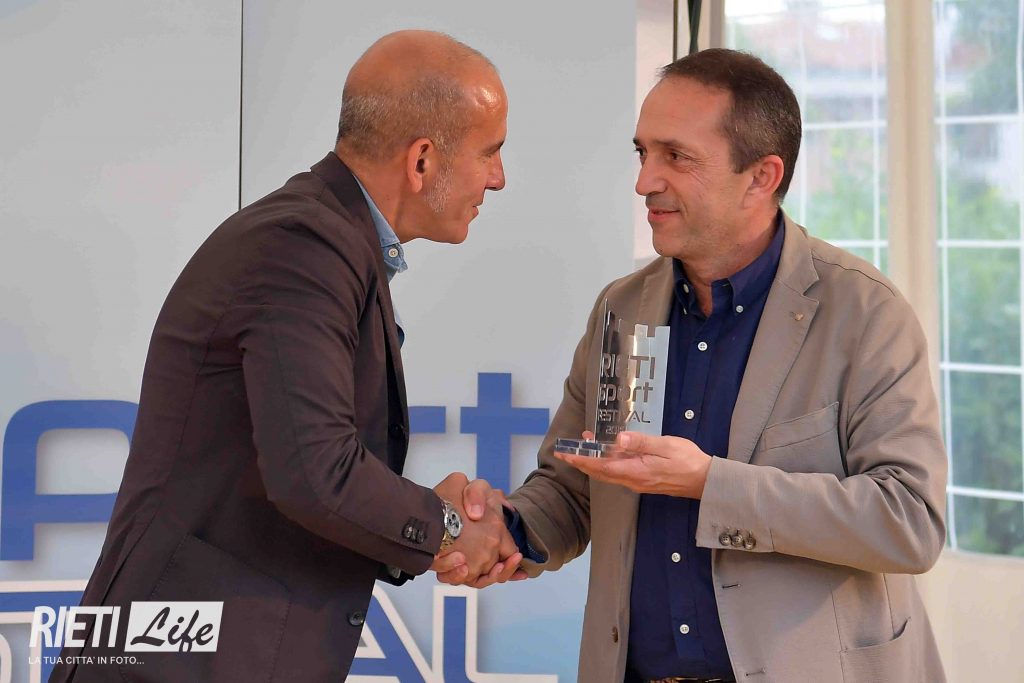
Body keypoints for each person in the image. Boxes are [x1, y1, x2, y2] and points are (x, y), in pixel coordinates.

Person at [453, 48, 948, 682]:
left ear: (761, 177)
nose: (644, 181)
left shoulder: (865, 313)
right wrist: (508, 529)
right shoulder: (622, 308)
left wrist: (711, 484)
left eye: (676, 157)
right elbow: (577, 486)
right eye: (642, 153)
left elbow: (909, 521)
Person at [51, 30, 520, 683]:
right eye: (490, 152)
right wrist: (445, 523)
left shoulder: (329, 241)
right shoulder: (304, 245)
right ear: (421, 160)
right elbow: (316, 471)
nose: (498, 178)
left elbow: (304, 472)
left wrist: (429, 521)